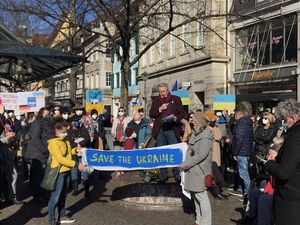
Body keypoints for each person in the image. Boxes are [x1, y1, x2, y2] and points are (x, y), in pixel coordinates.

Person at [264, 99, 300, 225]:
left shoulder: (294, 137)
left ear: (293, 118)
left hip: (290, 197)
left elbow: (285, 171)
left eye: (285, 119)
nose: (284, 122)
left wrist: (270, 163)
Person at [47, 117, 85, 225]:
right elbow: (60, 159)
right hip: (58, 172)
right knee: (55, 197)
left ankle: (62, 216)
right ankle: (51, 219)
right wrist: (76, 164)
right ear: (57, 130)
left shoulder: (65, 139)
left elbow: (68, 153)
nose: (66, 131)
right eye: (64, 129)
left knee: (63, 195)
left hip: (67, 170)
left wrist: (75, 150)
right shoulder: (53, 143)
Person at [178, 112, 214, 225]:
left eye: (194, 120)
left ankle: (206, 222)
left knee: (201, 196)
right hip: (194, 170)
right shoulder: (198, 132)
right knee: (196, 196)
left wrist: (185, 164)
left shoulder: (205, 136)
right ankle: (199, 220)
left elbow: (200, 155)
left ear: (199, 122)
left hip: (199, 170)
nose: (192, 122)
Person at [149, 83, 184, 183]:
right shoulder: (156, 100)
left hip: (172, 128)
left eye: (163, 91)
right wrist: (160, 109)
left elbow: (182, 113)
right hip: (160, 129)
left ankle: (177, 174)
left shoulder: (176, 99)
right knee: (162, 152)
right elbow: (151, 114)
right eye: (160, 92)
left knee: (174, 151)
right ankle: (163, 175)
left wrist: (176, 118)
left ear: (167, 90)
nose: (162, 94)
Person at [24, 107, 54, 203]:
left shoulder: (47, 124)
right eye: (46, 114)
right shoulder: (37, 123)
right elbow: (35, 139)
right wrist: (44, 150)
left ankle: (41, 193)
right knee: (38, 176)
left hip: (42, 153)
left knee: (42, 175)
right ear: (41, 114)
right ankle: (38, 195)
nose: (48, 115)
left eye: (49, 114)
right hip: (37, 154)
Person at [231, 105, 253, 203]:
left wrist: (235, 153)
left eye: (235, 114)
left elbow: (239, 140)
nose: (234, 116)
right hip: (246, 151)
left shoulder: (241, 124)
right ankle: (246, 192)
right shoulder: (248, 123)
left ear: (239, 114)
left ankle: (248, 194)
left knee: (244, 174)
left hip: (241, 152)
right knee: (244, 173)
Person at [67, 115, 91, 198]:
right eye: (75, 121)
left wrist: (80, 144)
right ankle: (75, 189)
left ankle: (87, 191)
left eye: (78, 120)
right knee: (73, 172)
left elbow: (87, 139)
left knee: (84, 172)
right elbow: (69, 142)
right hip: (73, 154)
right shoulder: (69, 132)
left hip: (82, 154)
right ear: (71, 123)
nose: (77, 122)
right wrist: (75, 145)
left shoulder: (83, 130)